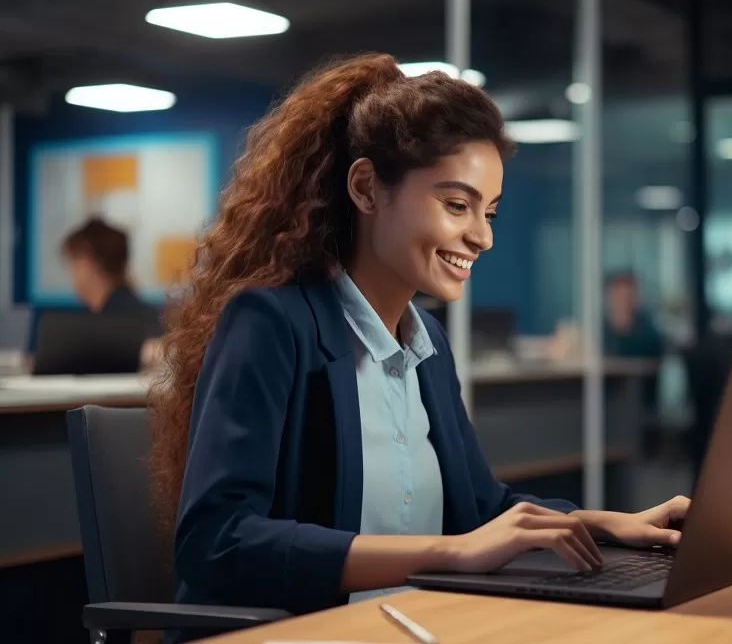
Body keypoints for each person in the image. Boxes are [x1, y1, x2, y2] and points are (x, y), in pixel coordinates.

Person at [148, 54, 690, 628]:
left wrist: (611, 524)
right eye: (457, 205)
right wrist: (447, 553)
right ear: (365, 188)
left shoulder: (426, 341)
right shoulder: (270, 322)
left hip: (412, 625)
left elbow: (483, 509)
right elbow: (217, 544)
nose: (480, 236)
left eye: (490, 212)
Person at [23, 218, 163, 365]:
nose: (71, 276)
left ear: (85, 263)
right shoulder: (151, 316)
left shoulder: (81, 332)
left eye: (72, 265)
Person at [603, 271, 665, 359]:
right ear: (608, 298)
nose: (623, 303)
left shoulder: (649, 336)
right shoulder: (597, 334)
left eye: (627, 297)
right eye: (618, 296)